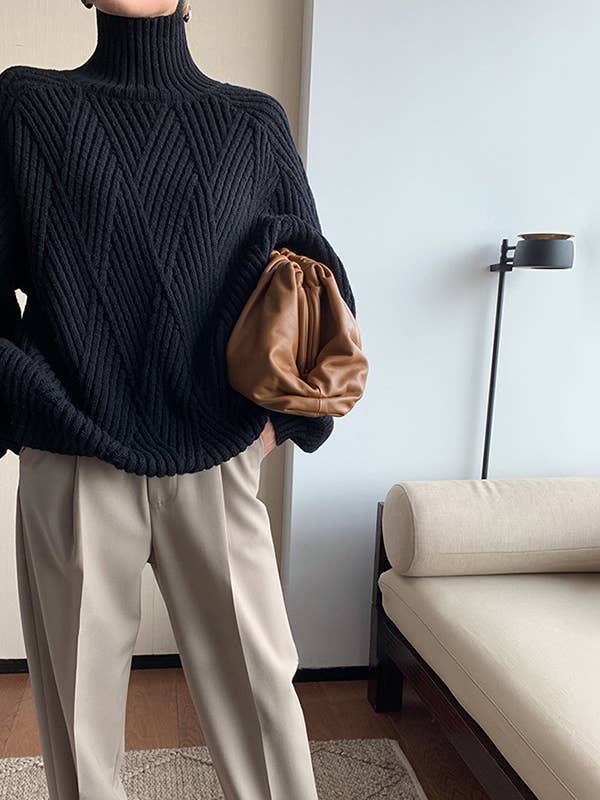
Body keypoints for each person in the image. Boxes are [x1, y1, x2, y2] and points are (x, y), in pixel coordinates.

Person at [0, 1, 357, 798]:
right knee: (82, 742)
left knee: (267, 723)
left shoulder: (253, 124)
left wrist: (271, 428)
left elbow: (315, 284)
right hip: (76, 464)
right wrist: (34, 413)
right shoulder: (26, 107)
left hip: (217, 463)